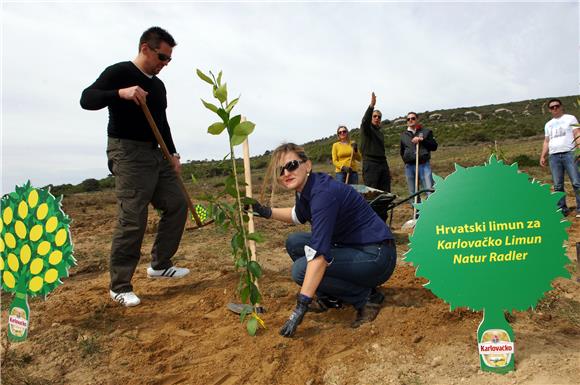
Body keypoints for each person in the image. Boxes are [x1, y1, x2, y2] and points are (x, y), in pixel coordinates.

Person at [80, 26, 189, 307]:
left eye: (169, 60)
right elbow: (87, 99)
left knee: (177, 203)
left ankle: (160, 264)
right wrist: (120, 93)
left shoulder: (158, 86)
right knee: (133, 218)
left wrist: (173, 153)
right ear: (145, 49)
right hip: (127, 152)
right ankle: (120, 286)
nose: (165, 64)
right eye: (162, 57)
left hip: (157, 153)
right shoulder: (119, 72)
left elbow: (162, 123)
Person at [252, 143, 397, 337]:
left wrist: (300, 306)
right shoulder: (307, 188)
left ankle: (367, 298)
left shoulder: (322, 194)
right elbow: (297, 215)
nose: (286, 172)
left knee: (302, 270)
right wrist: (265, 212)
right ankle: (330, 295)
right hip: (355, 248)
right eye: (281, 170)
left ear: (308, 165)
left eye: (292, 165)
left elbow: (319, 258)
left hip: (376, 255)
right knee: (295, 243)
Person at [539, 98, 580, 218]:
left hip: (570, 153)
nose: (555, 108)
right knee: (557, 185)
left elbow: (577, 133)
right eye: (552, 107)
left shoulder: (570, 118)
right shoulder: (548, 124)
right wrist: (543, 155)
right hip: (554, 156)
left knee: (577, 182)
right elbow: (546, 141)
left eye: (557, 106)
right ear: (549, 110)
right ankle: (562, 209)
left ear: (561, 106)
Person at [400, 112, 438, 217]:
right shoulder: (403, 135)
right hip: (409, 167)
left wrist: (422, 140)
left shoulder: (426, 132)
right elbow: (402, 150)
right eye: (408, 119)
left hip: (423, 165)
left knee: (429, 189)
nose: (410, 120)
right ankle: (417, 216)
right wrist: (406, 160)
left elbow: (434, 146)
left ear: (417, 119)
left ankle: (433, 214)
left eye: (412, 118)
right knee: (413, 193)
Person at [360, 92, 391, 192]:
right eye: (374, 116)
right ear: (371, 117)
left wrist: (386, 168)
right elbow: (365, 121)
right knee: (371, 193)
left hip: (382, 163)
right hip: (370, 164)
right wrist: (371, 106)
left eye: (379, 117)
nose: (377, 118)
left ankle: (383, 208)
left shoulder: (380, 133)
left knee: (385, 192)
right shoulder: (367, 129)